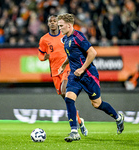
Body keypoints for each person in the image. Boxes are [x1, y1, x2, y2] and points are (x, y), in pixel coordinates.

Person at [57, 13, 124, 142]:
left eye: (61, 26)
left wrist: (82, 69)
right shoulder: (65, 39)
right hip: (75, 76)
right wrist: (63, 65)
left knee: (97, 104)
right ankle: (74, 132)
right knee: (69, 98)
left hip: (88, 75)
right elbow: (70, 54)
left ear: (69, 25)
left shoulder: (78, 37)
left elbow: (93, 52)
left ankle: (118, 118)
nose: (60, 28)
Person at [38, 15, 88, 136]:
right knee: (66, 98)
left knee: (65, 91)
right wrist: (47, 56)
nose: (53, 23)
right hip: (55, 72)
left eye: (55, 21)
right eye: (51, 21)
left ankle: (74, 129)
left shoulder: (65, 35)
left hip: (67, 68)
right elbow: (40, 56)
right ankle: (80, 121)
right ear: (48, 24)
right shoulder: (44, 39)